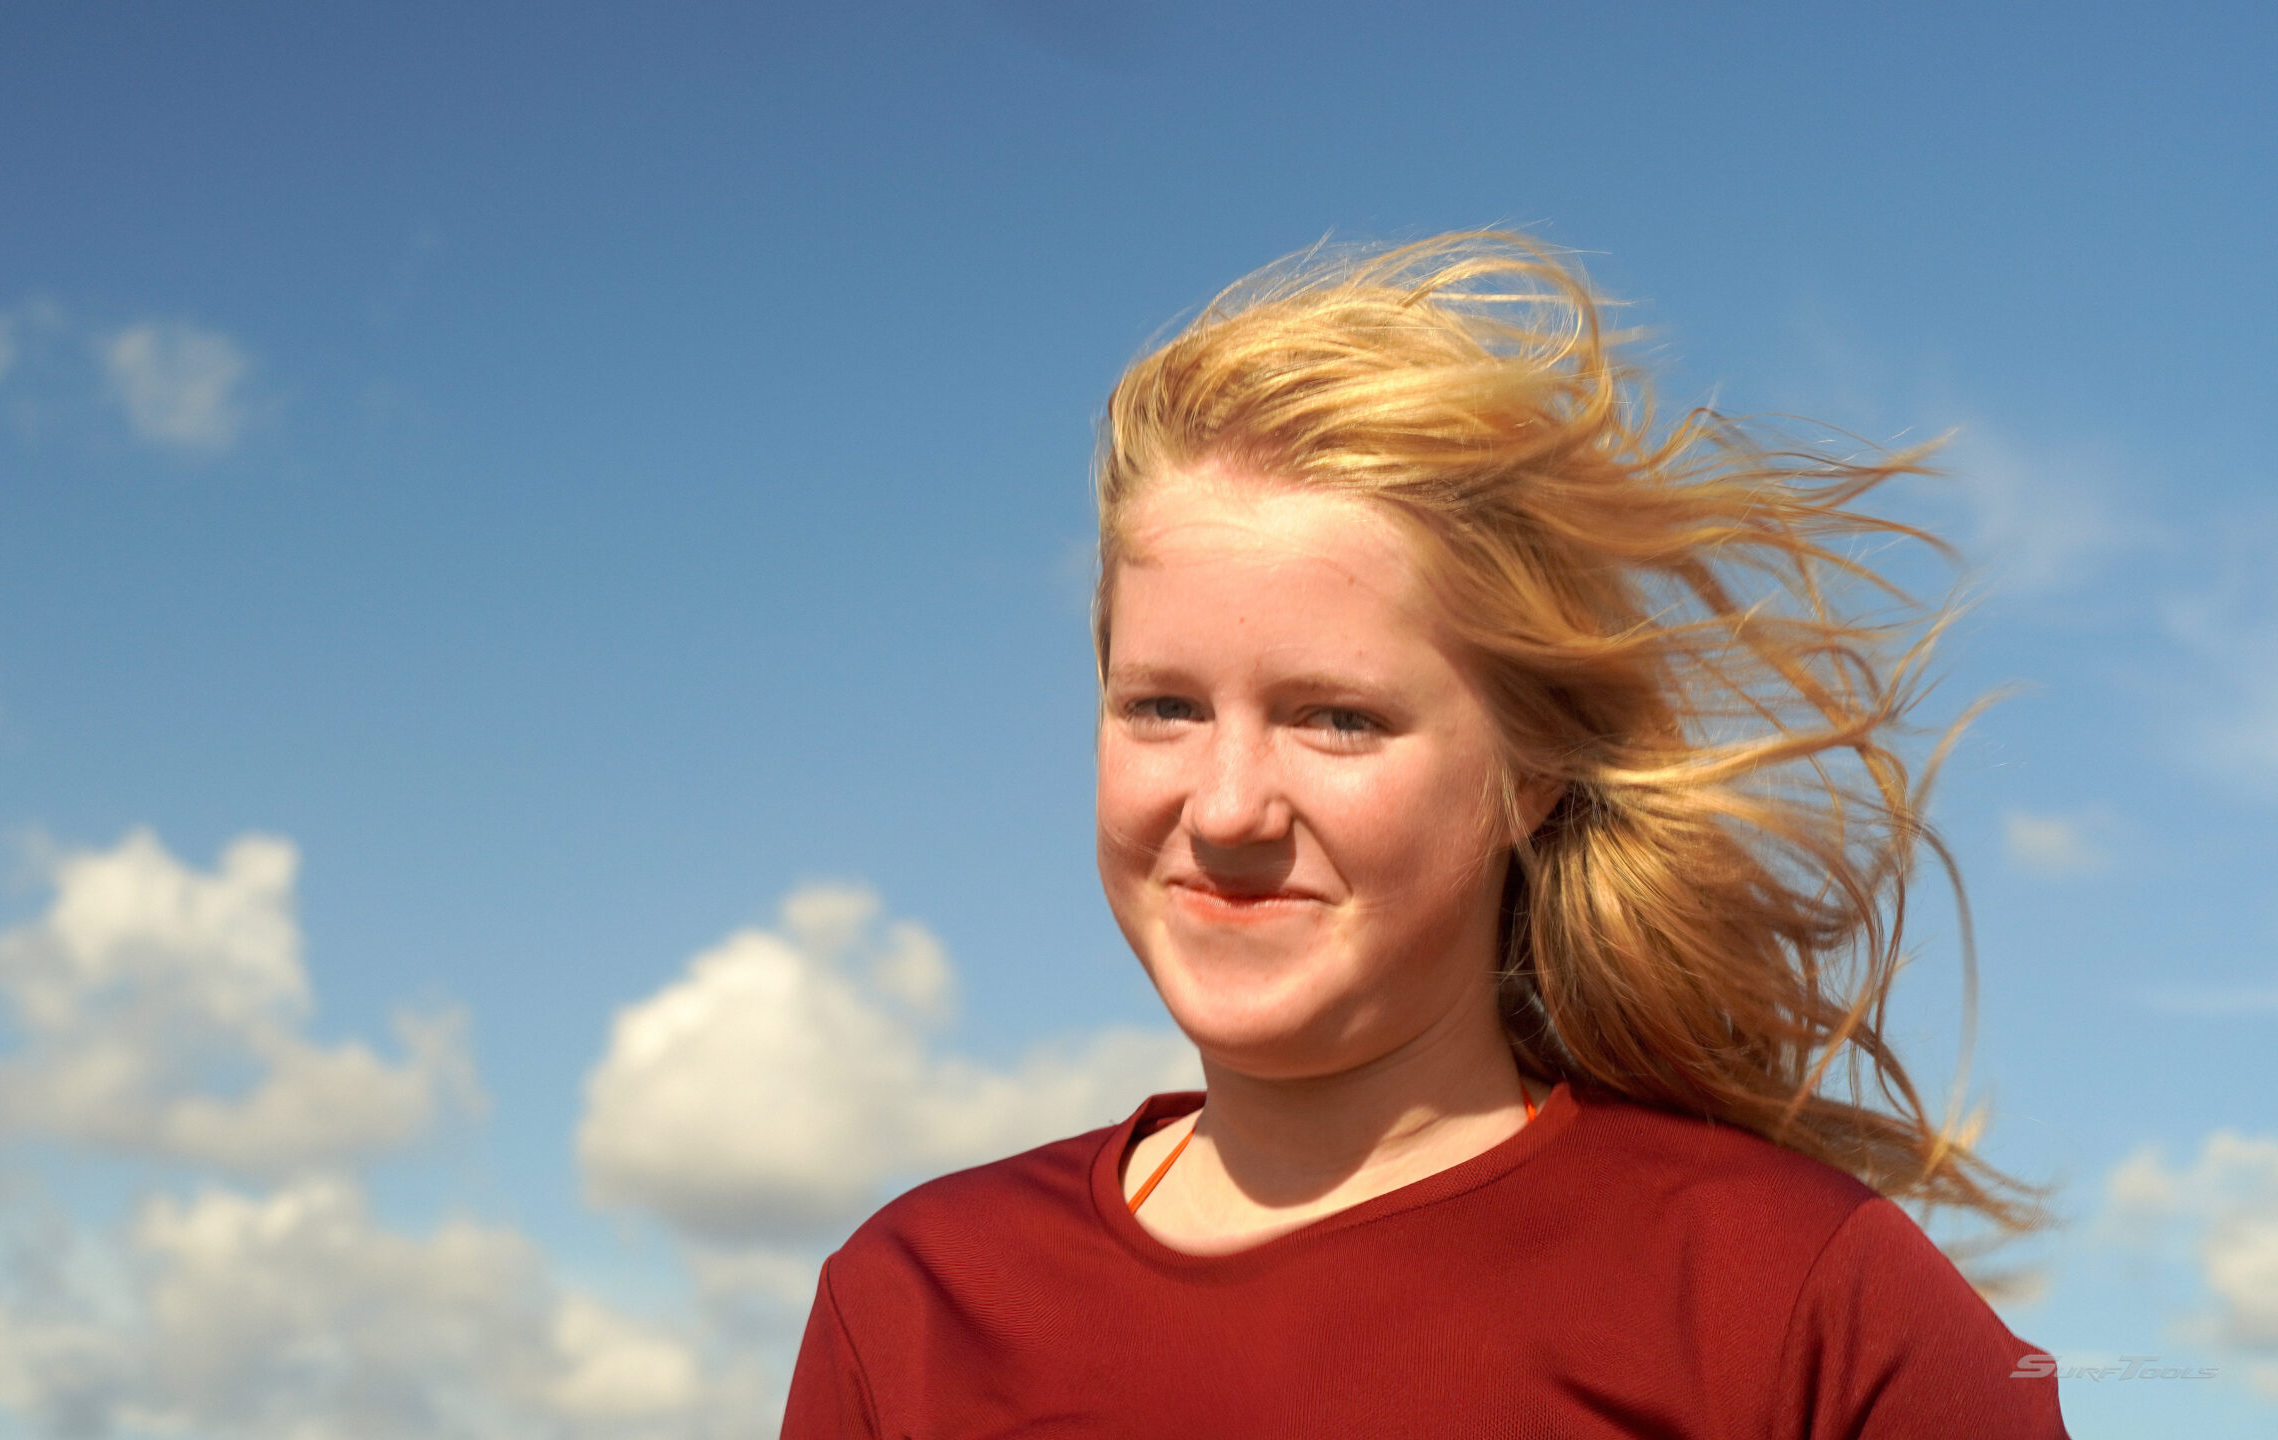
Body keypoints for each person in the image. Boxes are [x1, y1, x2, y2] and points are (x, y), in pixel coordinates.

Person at [781, 233, 2068, 1438]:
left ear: (1534, 772)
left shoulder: (1793, 1302)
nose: (1225, 809)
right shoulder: (912, 1304)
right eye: (1162, 707)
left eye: (1336, 719)